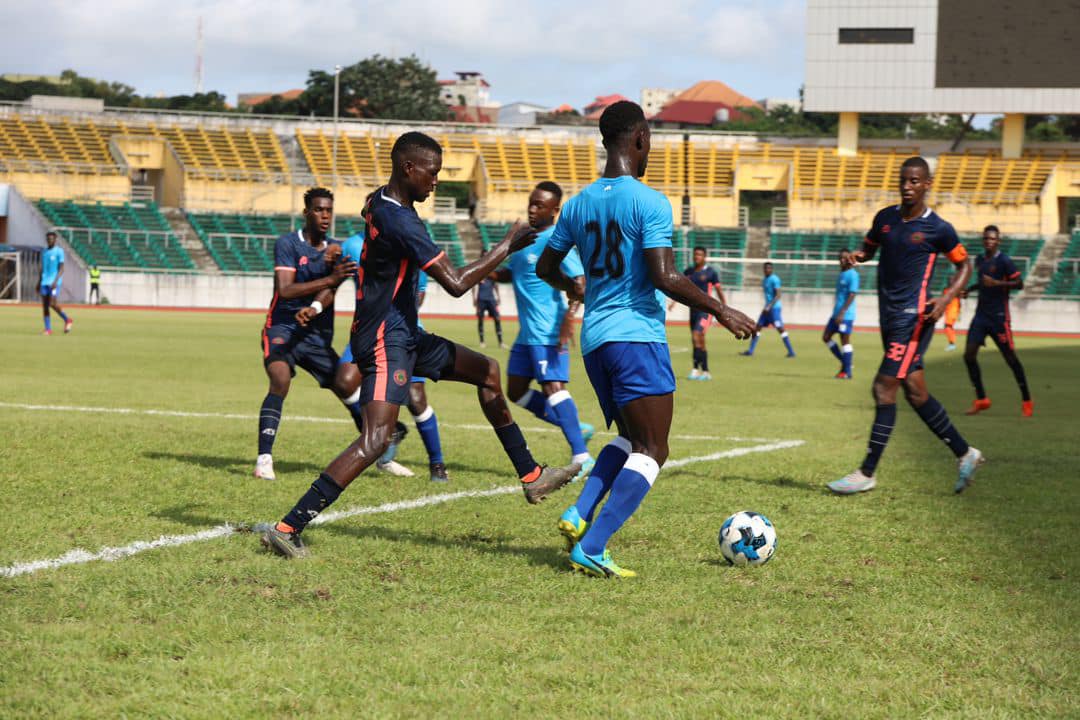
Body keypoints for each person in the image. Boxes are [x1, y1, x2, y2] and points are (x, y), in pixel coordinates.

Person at [261, 132, 579, 559]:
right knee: (375, 439)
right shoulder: (401, 220)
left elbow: (369, 207)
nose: (436, 182)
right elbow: (457, 284)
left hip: (406, 333)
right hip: (385, 339)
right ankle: (288, 526)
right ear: (409, 168)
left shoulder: (382, 201)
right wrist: (507, 244)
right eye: (433, 173)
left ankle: (531, 474)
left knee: (487, 371)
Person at [537, 101, 756, 578]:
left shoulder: (577, 204)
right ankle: (593, 546)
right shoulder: (650, 202)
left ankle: (578, 515)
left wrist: (577, 287)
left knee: (629, 438)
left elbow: (545, 267)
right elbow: (663, 275)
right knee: (654, 449)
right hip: (636, 336)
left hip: (596, 340)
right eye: (650, 138)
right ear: (638, 139)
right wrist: (719, 308)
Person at [829, 156, 984, 495]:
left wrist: (945, 299)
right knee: (916, 392)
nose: (907, 186)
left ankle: (867, 471)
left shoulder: (938, 228)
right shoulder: (885, 219)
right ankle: (965, 453)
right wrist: (852, 258)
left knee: (884, 388)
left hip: (913, 319)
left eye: (915, 181)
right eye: (904, 180)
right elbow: (867, 251)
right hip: (889, 317)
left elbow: (965, 267)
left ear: (927, 184)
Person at [254, 187, 362, 481]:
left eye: (328, 210)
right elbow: (285, 289)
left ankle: (381, 446)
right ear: (306, 212)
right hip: (283, 327)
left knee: (347, 387)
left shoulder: (338, 250)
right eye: (318, 210)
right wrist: (331, 276)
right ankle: (264, 459)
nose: (325, 215)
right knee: (280, 378)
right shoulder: (288, 244)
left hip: (315, 335)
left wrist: (315, 307)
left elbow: (331, 290)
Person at [495, 181, 595, 481]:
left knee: (553, 388)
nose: (532, 209)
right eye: (531, 203)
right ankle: (575, 427)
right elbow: (511, 275)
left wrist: (570, 316)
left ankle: (582, 457)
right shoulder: (526, 239)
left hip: (547, 330)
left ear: (555, 210)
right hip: (527, 334)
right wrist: (489, 266)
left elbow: (581, 283)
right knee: (515, 390)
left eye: (540, 205)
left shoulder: (555, 239)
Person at [334, 228, 448, 482]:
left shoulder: (406, 238)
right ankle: (392, 430)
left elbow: (420, 289)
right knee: (343, 380)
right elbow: (334, 273)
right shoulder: (353, 245)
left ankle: (437, 464)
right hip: (366, 332)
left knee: (416, 399)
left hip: (401, 333)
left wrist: (396, 315)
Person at [962, 225, 1033, 417]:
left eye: (992, 239)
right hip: (981, 316)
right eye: (986, 238)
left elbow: (1019, 283)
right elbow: (983, 283)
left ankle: (1027, 400)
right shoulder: (979, 259)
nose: (989, 241)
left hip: (999, 318)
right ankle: (982, 399)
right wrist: (970, 289)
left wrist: (998, 283)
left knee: (1011, 359)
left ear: (998, 241)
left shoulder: (1004, 261)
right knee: (969, 356)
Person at [670, 246, 725, 380]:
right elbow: (682, 288)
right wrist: (674, 301)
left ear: (704, 257)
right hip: (693, 311)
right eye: (695, 254)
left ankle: (699, 370)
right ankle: (702, 370)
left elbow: (718, 289)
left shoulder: (711, 272)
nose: (697, 257)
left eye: (700, 255)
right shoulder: (689, 272)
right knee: (698, 341)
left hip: (706, 311)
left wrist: (724, 307)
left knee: (697, 335)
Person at [741, 262, 795, 357]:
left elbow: (778, 295)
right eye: (766, 268)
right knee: (757, 328)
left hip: (774, 309)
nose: (767, 270)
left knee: (780, 328)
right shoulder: (765, 280)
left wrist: (769, 306)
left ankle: (791, 352)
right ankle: (750, 351)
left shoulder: (775, 279)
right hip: (767, 309)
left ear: (772, 269)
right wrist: (766, 306)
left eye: (769, 268)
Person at [822, 248, 859, 378]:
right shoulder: (842, 274)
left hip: (846, 315)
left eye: (845, 258)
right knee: (826, 337)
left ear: (850, 259)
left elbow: (852, 294)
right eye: (840, 257)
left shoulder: (853, 275)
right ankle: (846, 364)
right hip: (836, 313)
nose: (842, 260)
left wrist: (843, 313)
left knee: (845, 342)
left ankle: (847, 372)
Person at [38, 231, 72, 335]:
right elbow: (42, 268)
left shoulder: (59, 251)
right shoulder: (43, 252)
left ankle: (67, 319)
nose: (49, 240)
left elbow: (61, 268)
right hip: (44, 282)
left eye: (51, 239)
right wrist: (38, 282)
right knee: (45, 306)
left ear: (55, 239)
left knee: (52, 303)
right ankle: (48, 329)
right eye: (48, 239)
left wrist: (56, 281)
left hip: (54, 282)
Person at [472, 269, 503, 348]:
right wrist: (474, 299)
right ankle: (482, 342)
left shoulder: (492, 274)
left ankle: (501, 343)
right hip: (481, 300)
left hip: (491, 300)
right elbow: (473, 286)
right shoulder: (479, 273)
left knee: (497, 319)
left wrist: (498, 296)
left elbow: (496, 285)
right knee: (480, 320)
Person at [942, 272, 961, 351]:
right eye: (949, 279)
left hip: (953, 311)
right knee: (948, 327)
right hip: (948, 311)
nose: (950, 281)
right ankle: (952, 343)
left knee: (947, 326)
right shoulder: (945, 290)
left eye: (952, 280)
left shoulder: (956, 290)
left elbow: (959, 301)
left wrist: (959, 312)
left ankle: (952, 344)